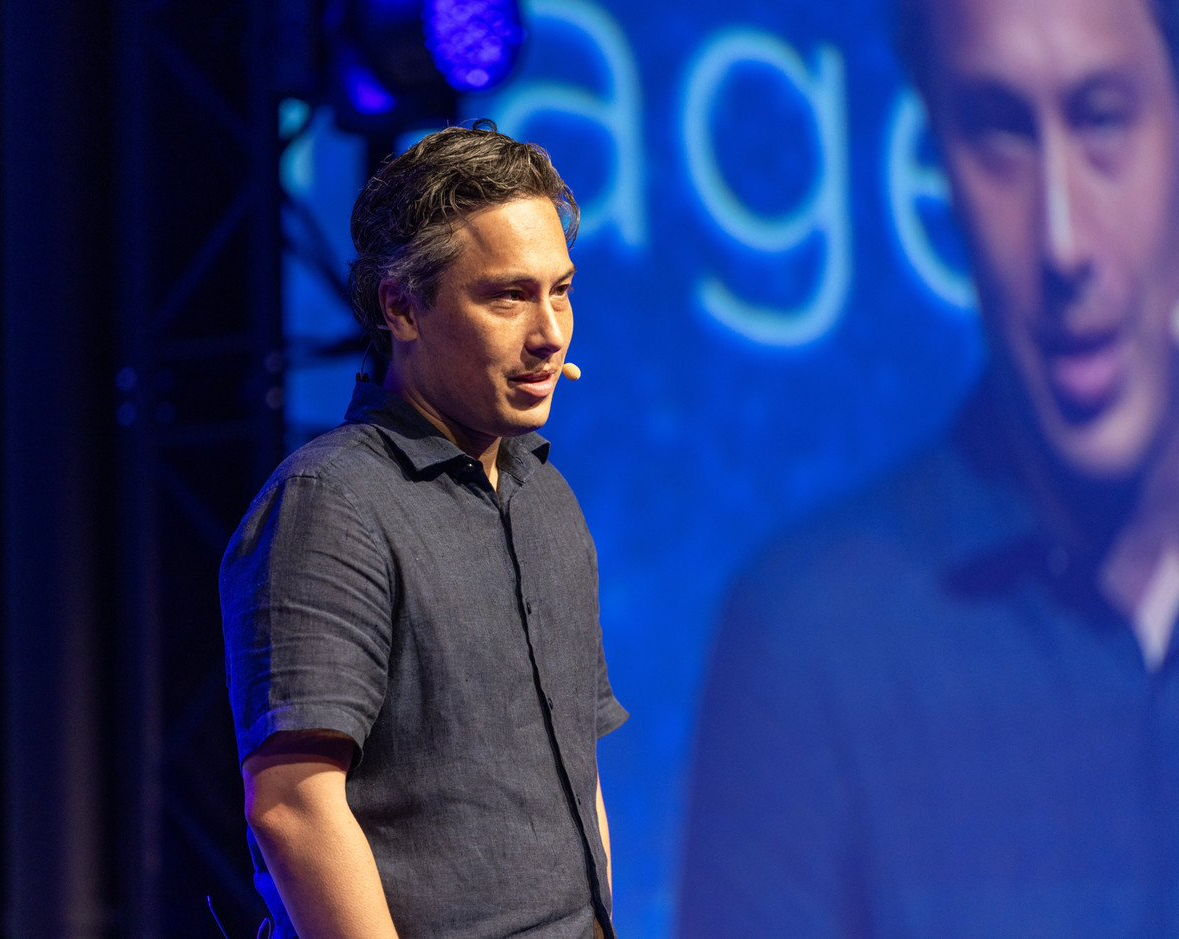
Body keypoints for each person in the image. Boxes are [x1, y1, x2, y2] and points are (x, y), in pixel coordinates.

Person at [680, 0, 1179, 934]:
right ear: (937, 166)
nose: (1063, 240)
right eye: (999, 133)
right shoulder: (814, 640)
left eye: (1103, 117)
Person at [221, 121, 627, 938]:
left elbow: (576, 781)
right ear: (401, 305)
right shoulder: (331, 502)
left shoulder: (547, 499)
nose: (549, 332)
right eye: (509, 295)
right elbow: (294, 806)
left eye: (562, 289)